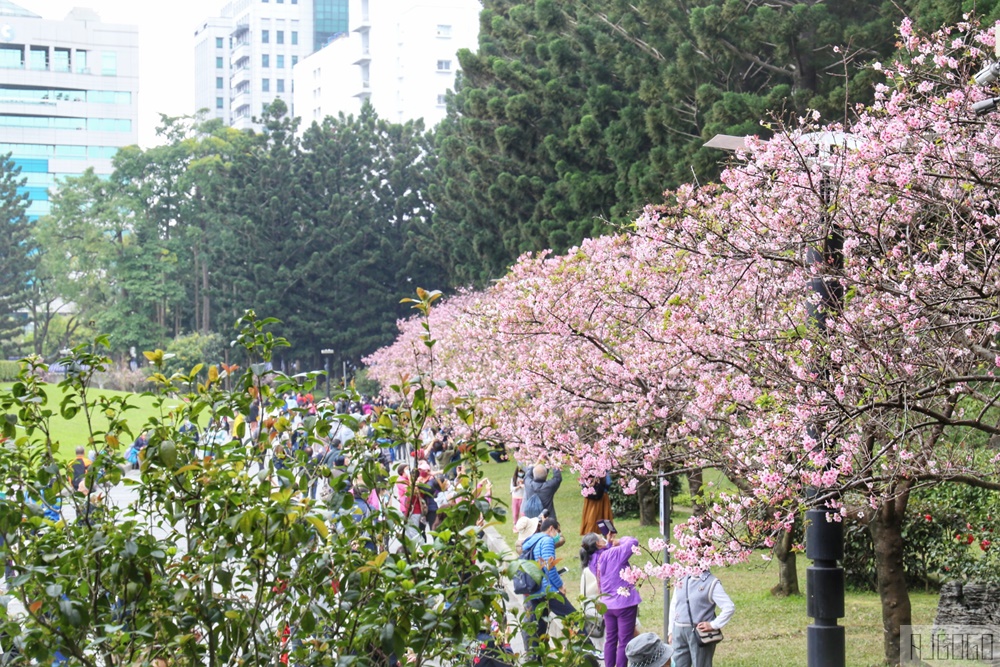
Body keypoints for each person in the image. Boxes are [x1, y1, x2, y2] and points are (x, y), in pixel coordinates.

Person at [581, 532, 641, 667]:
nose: (603, 538)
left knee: (611, 639)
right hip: (624, 604)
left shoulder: (592, 560)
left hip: (607, 605)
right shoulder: (614, 553)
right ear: (597, 544)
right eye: (601, 538)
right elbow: (633, 542)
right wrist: (620, 540)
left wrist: (608, 544)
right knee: (624, 641)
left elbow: (605, 558)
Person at [519, 518, 576, 652]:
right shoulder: (547, 540)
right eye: (557, 530)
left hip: (534, 591)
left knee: (540, 628)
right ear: (551, 528)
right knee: (574, 617)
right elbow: (549, 567)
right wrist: (560, 585)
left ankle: (537, 657)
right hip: (547, 590)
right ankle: (589, 647)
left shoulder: (531, 542)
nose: (557, 534)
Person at [667, 570, 734, 667]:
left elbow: (729, 607)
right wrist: (671, 631)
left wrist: (713, 625)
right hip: (679, 632)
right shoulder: (681, 578)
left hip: (700, 634)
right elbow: (674, 605)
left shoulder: (711, 582)